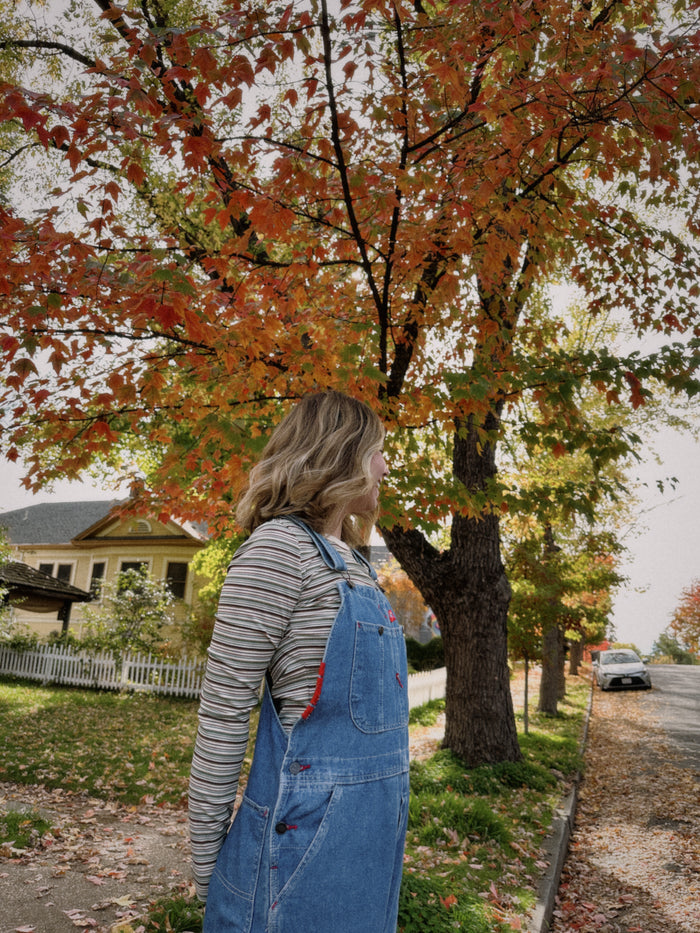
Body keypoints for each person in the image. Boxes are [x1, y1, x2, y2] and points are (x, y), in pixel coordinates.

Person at [188, 390, 410, 933]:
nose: (384, 465)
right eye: (376, 450)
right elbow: (222, 717)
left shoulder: (357, 565)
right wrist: (207, 867)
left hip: (368, 852)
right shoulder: (277, 551)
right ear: (339, 452)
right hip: (294, 859)